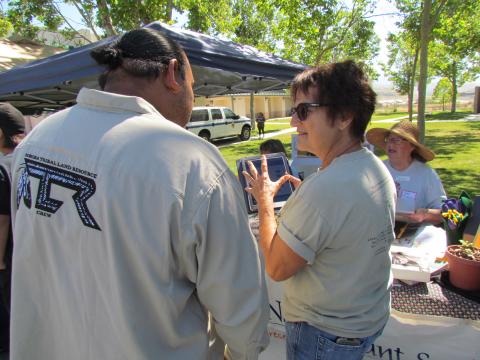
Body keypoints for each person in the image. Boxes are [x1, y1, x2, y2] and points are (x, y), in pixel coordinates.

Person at [9, 28, 269, 360]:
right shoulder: (191, 162)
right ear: (173, 73)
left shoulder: (37, 141)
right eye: (193, 86)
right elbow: (240, 308)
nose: (192, 99)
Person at [243, 60, 396, 360]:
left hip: (324, 334)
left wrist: (264, 205)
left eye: (303, 111)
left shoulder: (325, 189)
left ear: (344, 116)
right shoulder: (374, 167)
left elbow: (276, 267)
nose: (292, 123)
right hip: (361, 323)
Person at [366, 120, 446, 224]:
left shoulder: (426, 174)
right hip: (380, 229)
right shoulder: (376, 169)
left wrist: (425, 214)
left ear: (412, 146)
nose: (391, 144)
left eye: (397, 140)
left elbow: (443, 213)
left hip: (415, 234)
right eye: (389, 140)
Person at [0, 102, 25, 354]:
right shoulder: (27, 157)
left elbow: (2, 218)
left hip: (9, 251)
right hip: (29, 245)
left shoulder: (2, 165)